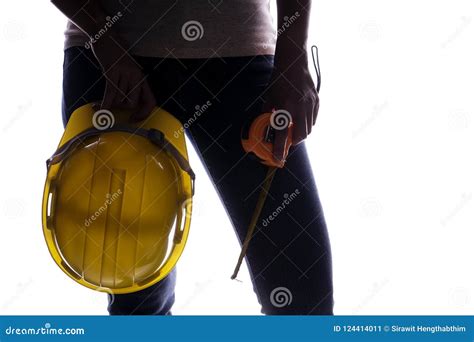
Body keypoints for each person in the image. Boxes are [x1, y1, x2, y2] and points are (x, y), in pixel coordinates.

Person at [50, 0, 334, 315]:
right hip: (111, 57)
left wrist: (293, 58)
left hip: (237, 52)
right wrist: (103, 39)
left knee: (304, 299)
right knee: (136, 299)